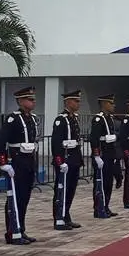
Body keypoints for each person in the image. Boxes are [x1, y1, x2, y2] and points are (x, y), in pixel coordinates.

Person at [0, 86, 40, 245]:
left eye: (33, 99)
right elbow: (0, 141)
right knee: (15, 198)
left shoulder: (32, 119)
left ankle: (20, 229)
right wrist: (3, 163)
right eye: (30, 99)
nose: (33, 102)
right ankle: (12, 231)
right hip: (17, 162)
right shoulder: (13, 119)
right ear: (20, 101)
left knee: (24, 198)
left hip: (29, 162)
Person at [51, 89, 84, 229]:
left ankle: (66, 215)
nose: (78, 104)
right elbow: (56, 142)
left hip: (74, 159)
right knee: (61, 189)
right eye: (76, 101)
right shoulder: (61, 120)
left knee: (70, 189)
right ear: (68, 102)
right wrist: (60, 161)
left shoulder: (73, 118)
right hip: (65, 159)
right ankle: (59, 217)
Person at [89, 93, 118, 218]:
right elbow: (94, 138)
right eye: (111, 103)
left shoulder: (109, 118)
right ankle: (99, 208)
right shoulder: (98, 119)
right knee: (100, 183)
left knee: (108, 182)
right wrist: (96, 156)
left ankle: (106, 206)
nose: (113, 105)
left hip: (110, 154)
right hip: (102, 154)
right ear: (104, 104)